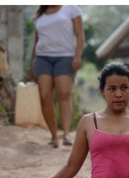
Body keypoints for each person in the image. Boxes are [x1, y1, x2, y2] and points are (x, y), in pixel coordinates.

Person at [29, 5, 84, 148]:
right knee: (44, 96)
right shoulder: (39, 15)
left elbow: (80, 34)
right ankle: (54, 136)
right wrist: (31, 64)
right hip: (42, 58)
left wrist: (78, 56)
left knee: (64, 94)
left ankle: (66, 134)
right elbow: (36, 42)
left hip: (65, 57)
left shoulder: (72, 9)